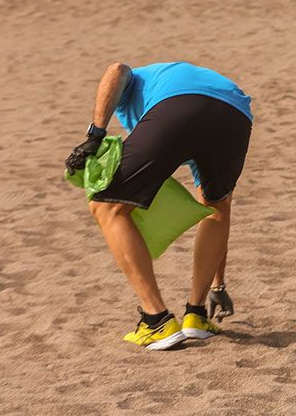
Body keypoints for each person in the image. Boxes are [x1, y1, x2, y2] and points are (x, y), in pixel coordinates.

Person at [64, 61, 253, 349]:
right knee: (217, 205)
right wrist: (219, 284)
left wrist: (95, 135)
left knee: (107, 206)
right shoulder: (168, 84)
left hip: (178, 106)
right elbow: (214, 212)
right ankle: (197, 316)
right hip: (235, 114)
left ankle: (157, 321)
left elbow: (116, 69)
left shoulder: (138, 86)